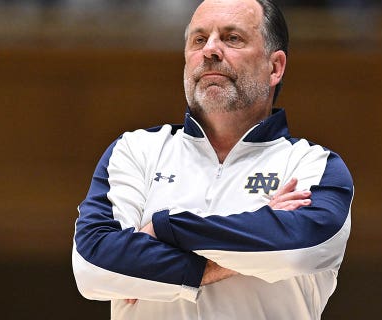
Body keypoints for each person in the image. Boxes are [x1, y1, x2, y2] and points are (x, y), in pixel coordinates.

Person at [72, 0, 354, 318]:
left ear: (275, 67)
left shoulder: (312, 165)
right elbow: (92, 264)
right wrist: (248, 241)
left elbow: (299, 250)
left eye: (232, 38)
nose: (210, 50)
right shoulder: (136, 151)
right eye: (198, 39)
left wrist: (164, 228)